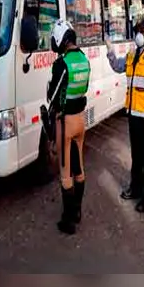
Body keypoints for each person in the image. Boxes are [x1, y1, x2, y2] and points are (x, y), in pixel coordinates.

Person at [106, 18, 144, 213]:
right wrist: (110, 50)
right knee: (136, 155)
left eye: (141, 31)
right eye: (136, 31)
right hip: (133, 113)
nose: (138, 34)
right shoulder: (132, 54)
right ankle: (136, 188)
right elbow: (117, 66)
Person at [46, 19, 91, 235]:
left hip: (64, 122)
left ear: (61, 40)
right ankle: (79, 212)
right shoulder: (83, 59)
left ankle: (69, 219)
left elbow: (52, 96)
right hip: (81, 121)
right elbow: (84, 88)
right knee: (79, 167)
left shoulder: (61, 64)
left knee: (66, 172)